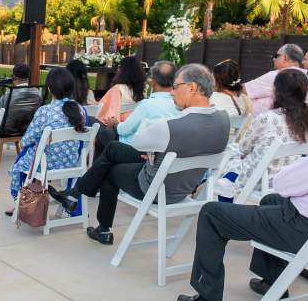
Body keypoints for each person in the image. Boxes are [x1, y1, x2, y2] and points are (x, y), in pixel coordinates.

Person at [176, 85, 308, 301]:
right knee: (270, 200)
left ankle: (208, 299)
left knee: (212, 213)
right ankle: (273, 280)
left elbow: (284, 183)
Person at [49, 64, 230, 245]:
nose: (172, 92)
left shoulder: (171, 126)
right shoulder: (223, 120)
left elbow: (138, 143)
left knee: (109, 169)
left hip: (157, 188)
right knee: (113, 148)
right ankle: (74, 195)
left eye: (176, 87)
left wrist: (151, 150)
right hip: (186, 185)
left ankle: (101, 227)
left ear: (192, 88)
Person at [216, 69, 308, 202]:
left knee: (230, 164)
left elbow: (244, 147)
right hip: (287, 176)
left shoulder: (267, 118)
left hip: (260, 178)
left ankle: (222, 209)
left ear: (277, 91)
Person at [7, 67, 86, 206]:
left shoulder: (45, 111)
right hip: (72, 162)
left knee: (22, 161)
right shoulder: (79, 109)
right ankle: (51, 195)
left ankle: (23, 203)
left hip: (47, 165)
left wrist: (22, 144)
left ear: (49, 89)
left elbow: (27, 139)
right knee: (34, 154)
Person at [101, 61, 179, 146]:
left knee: (98, 130)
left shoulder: (147, 104)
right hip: (164, 148)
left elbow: (123, 130)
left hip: (134, 147)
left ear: (153, 81)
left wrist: (115, 123)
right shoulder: (180, 104)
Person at [245, 44, 308, 115]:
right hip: (295, 122)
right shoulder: (306, 78)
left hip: (264, 123)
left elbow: (242, 90)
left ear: (285, 58)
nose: (274, 59)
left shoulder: (276, 76)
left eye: (276, 56)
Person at [95, 56, 146, 122]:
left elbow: (107, 110)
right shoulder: (143, 87)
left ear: (123, 70)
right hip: (136, 120)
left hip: (119, 123)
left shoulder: (118, 88)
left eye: (120, 67)